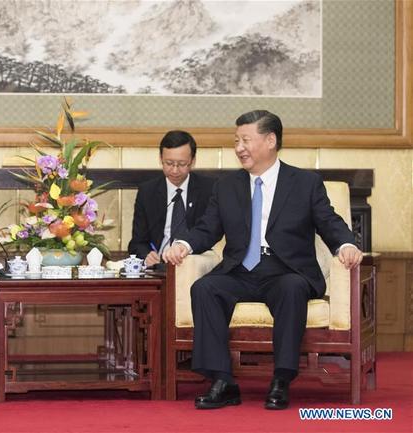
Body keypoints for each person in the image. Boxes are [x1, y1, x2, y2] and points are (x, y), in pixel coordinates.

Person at [163, 110, 362, 410]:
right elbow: (207, 228)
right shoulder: (227, 186)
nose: (239, 147)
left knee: (292, 288)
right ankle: (223, 381)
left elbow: (329, 221)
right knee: (204, 288)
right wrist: (183, 243)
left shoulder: (305, 183)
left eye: (245, 140)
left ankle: (281, 379)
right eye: (236, 140)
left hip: (286, 270)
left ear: (270, 140)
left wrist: (346, 244)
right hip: (239, 269)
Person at [128, 130, 214, 267]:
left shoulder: (209, 189)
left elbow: (209, 233)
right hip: (160, 265)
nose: (174, 170)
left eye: (181, 164)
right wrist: (147, 255)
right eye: (169, 163)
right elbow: (138, 242)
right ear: (160, 159)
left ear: (192, 161)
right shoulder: (148, 192)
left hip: (192, 262)